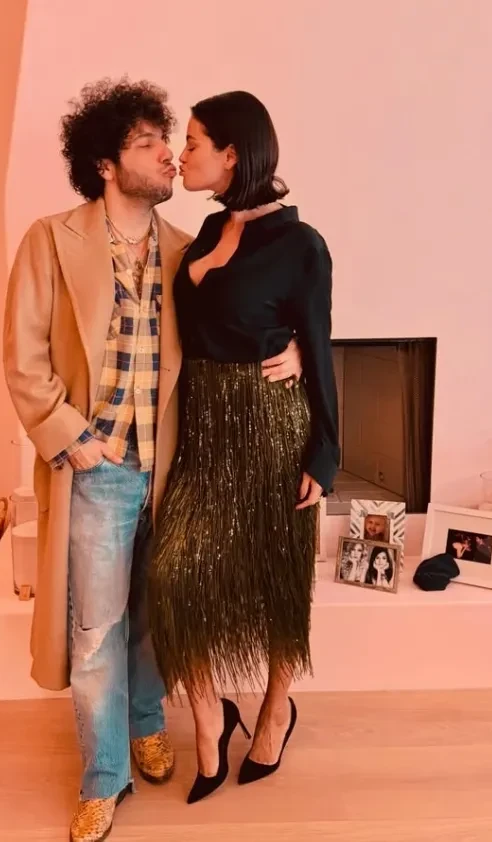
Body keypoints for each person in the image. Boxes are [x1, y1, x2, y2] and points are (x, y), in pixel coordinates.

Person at [2, 78, 303, 842]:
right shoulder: (50, 240)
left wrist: (295, 347)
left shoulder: (187, 249)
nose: (170, 154)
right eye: (148, 143)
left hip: (174, 470)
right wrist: (75, 439)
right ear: (106, 163)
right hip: (97, 470)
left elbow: (246, 322)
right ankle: (105, 777)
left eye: (169, 140)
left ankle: (146, 725)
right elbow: (23, 357)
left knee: (152, 621)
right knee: (97, 632)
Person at [148, 91, 340, 804]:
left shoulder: (301, 244)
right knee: (173, 577)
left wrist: (325, 454)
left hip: (271, 428)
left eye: (193, 141)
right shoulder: (205, 229)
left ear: (232, 154)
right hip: (203, 430)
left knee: (280, 582)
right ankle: (210, 718)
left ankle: (276, 708)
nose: (182, 154)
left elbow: (318, 348)